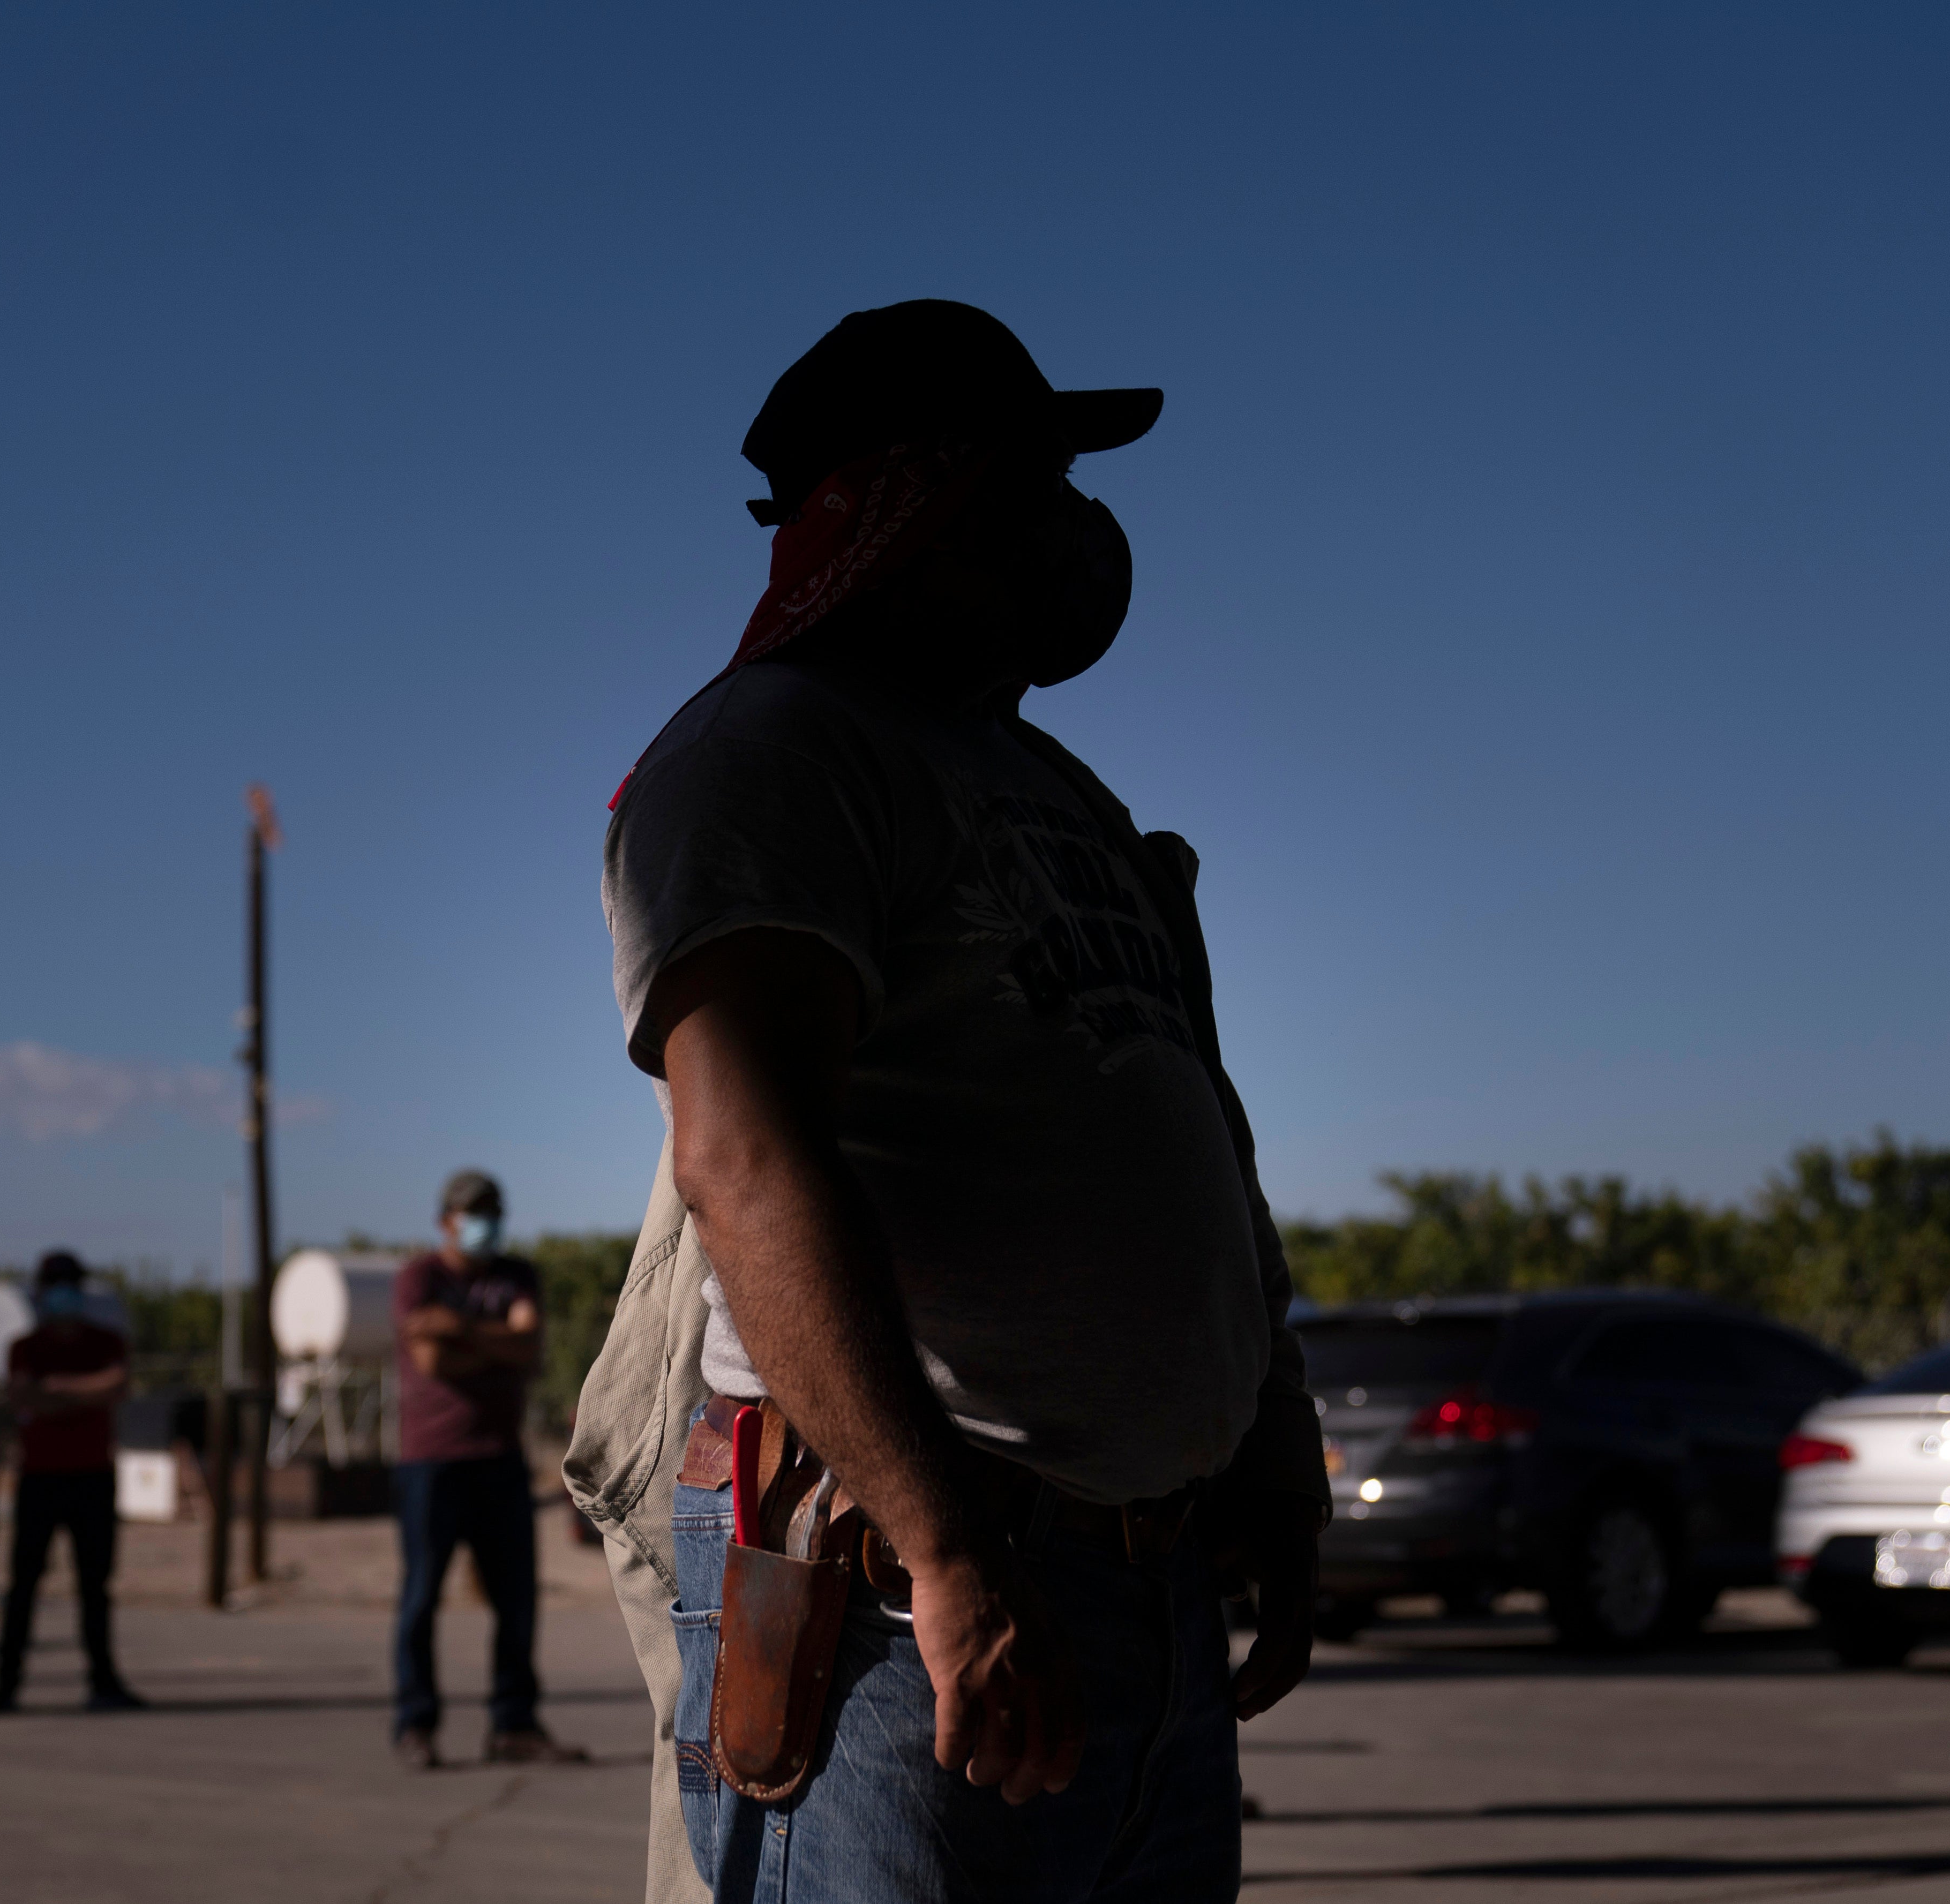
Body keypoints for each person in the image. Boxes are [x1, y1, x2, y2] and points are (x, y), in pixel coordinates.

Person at [568, 300, 1327, 1904]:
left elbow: (1196, 1127)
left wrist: (1272, 1456)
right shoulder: (772, 758)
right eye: (1038, 484)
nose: (1081, 532)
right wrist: (944, 1557)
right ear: (917, 509)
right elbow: (745, 1157)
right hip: (902, 1598)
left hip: (1142, 1575)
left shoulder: (1057, 790)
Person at [389, 1169, 586, 1767]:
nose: (487, 1221)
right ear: (445, 1219)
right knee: (421, 1598)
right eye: (475, 1211)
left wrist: (461, 1333)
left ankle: (514, 1724)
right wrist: (498, 1339)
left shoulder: (516, 1274)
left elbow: (528, 1351)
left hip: (500, 1460)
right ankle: (415, 1724)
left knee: (517, 1602)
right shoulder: (419, 1277)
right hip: (431, 1462)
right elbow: (429, 1357)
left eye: (494, 1209)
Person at [0, 1250, 144, 1713]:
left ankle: (104, 1680)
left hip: (93, 1477)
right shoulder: (25, 1346)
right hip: (40, 1479)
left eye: (69, 1284)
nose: (62, 1293)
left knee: (95, 1585)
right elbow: (24, 1397)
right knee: (24, 1584)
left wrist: (54, 1391)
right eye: (55, 1285)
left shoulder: (107, 1341)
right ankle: (6, 1684)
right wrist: (85, 1392)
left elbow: (116, 1385)